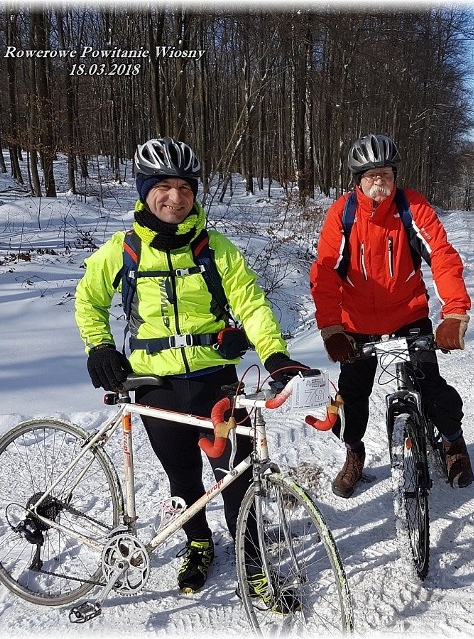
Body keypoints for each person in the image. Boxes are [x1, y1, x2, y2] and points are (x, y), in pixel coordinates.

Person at [74, 137, 307, 597]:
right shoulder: (122, 250)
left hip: (216, 382)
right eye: (163, 186)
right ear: (144, 191)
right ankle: (198, 542)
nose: (175, 197)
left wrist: (274, 354)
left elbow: (253, 304)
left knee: (236, 476)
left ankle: (253, 557)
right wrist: (99, 347)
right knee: (181, 477)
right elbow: (88, 300)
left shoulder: (215, 249)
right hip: (155, 385)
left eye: (184, 187)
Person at [310, 133, 474, 498]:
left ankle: (452, 442)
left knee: (430, 385)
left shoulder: (411, 207)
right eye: (370, 175)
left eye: (385, 173)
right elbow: (324, 273)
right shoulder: (343, 214)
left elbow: (443, 257)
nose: (379, 182)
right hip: (357, 324)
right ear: (358, 181)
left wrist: (455, 312)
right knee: (353, 395)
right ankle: (354, 452)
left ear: (395, 175)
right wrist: (332, 328)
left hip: (408, 315)